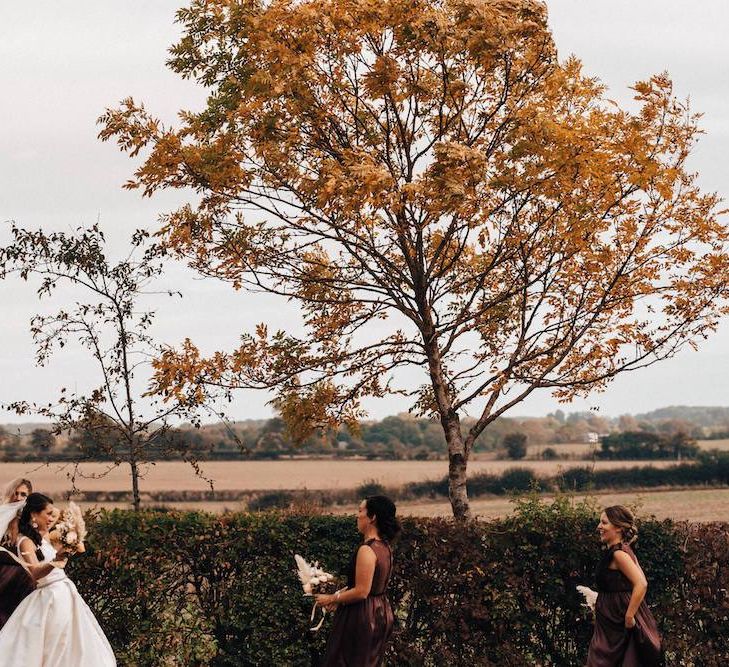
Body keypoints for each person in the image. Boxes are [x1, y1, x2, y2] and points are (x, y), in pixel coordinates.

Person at [0, 492, 116, 666]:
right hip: (49, 597)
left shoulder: (43, 538)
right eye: (47, 514)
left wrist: (72, 539)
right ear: (33, 514)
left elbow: (79, 548)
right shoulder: (25, 542)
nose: (50, 519)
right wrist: (55, 562)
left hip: (65, 593)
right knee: (56, 643)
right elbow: (33, 573)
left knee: (73, 639)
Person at [315, 495, 400, 667]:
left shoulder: (367, 550)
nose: (357, 515)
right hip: (379, 611)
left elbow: (362, 591)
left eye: (361, 511)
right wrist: (341, 595)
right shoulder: (384, 547)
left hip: (362, 616)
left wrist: (331, 598)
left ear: (372, 517)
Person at [587, 505, 663, 666]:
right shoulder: (625, 550)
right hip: (612, 618)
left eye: (604, 523)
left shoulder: (619, 554)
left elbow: (641, 584)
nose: (598, 527)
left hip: (618, 619)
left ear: (619, 528)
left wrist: (629, 617)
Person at [0, 478, 35, 629]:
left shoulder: (30, 522)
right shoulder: (3, 517)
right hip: (5, 571)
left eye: (23, 495)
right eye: (16, 494)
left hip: (24, 574)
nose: (18, 498)